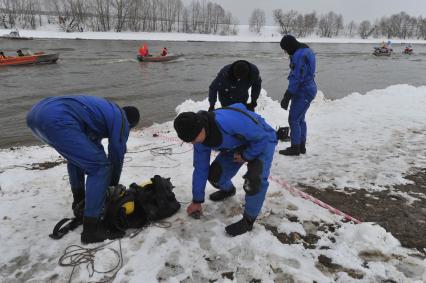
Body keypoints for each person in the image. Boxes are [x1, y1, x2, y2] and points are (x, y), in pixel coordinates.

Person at [26, 95, 140, 244]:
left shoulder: (104, 113)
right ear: (131, 124)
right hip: (57, 118)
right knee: (101, 168)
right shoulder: (122, 119)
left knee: (78, 160)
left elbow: (92, 148)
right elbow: (116, 154)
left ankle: (79, 201)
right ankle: (91, 229)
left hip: (36, 115)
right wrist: (111, 186)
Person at [173, 103, 277, 236]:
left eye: (193, 139)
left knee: (254, 181)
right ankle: (228, 190)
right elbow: (200, 169)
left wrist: (246, 155)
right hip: (237, 143)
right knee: (215, 175)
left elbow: (262, 137)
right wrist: (197, 201)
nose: (193, 143)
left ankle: (248, 221)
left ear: (201, 129)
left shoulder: (229, 122)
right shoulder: (199, 139)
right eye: (189, 141)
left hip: (262, 139)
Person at [279, 35, 317, 156]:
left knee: (294, 119)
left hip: (304, 90)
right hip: (307, 88)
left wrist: (287, 95)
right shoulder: (305, 50)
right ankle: (301, 146)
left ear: (289, 46)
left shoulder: (299, 56)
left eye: (285, 49)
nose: (285, 52)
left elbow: (297, 77)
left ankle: (295, 148)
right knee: (300, 119)